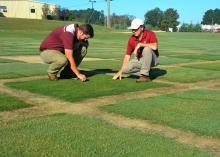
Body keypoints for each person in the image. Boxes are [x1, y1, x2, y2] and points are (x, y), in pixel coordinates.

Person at [113, 18, 159, 82]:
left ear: (142, 28)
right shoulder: (131, 39)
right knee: (125, 69)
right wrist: (120, 71)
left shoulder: (150, 34)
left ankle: (145, 76)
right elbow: (127, 56)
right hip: (140, 59)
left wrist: (140, 44)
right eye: (132, 29)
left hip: (153, 60)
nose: (133, 31)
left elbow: (155, 47)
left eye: (135, 29)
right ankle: (145, 69)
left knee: (147, 49)